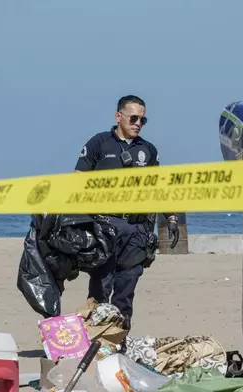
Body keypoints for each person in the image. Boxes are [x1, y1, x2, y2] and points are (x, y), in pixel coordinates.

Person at [75, 94, 180, 329]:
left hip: (136, 230)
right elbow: (77, 182)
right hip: (105, 226)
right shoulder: (99, 143)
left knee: (126, 290)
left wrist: (171, 216)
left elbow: (159, 187)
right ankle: (96, 341)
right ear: (118, 116)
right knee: (100, 288)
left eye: (143, 120)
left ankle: (119, 341)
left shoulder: (148, 150)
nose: (138, 124)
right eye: (133, 118)